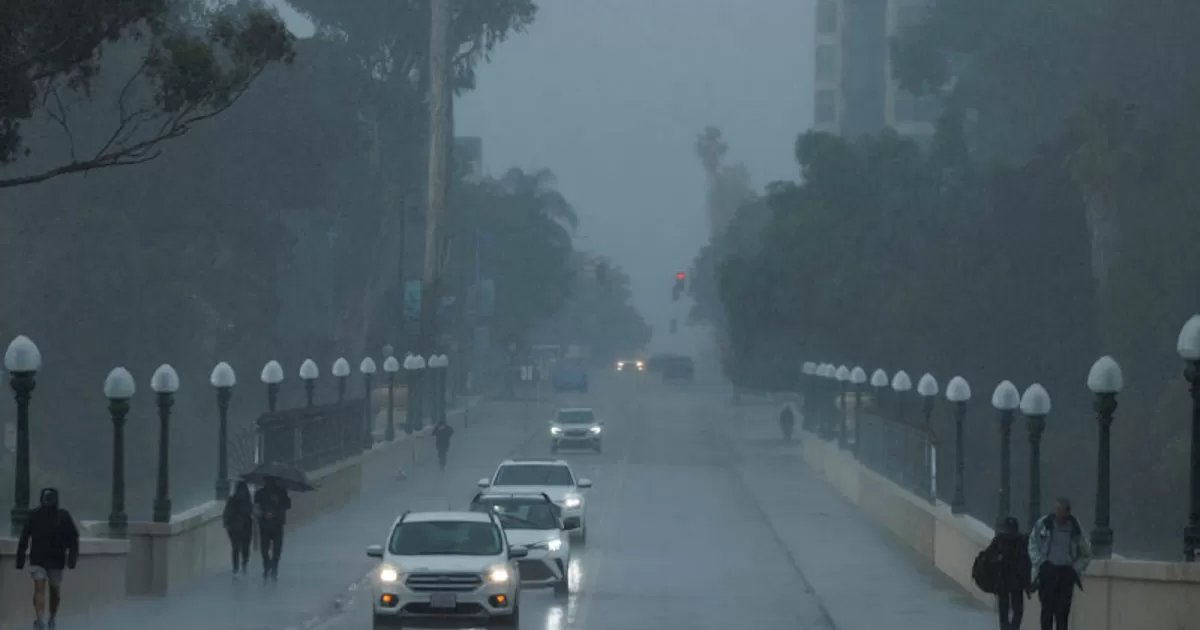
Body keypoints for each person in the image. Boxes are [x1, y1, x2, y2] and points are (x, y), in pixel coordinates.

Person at [15, 488, 79, 630]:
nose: (48, 501)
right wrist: (20, 557)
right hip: (38, 558)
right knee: (39, 588)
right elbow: (24, 537)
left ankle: (52, 617)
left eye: (50, 498)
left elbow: (73, 537)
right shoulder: (34, 515)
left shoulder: (63, 516)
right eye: (46, 498)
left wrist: (72, 557)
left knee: (54, 591)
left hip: (57, 560)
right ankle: (39, 620)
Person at [1028, 498, 1092, 630]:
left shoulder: (1075, 528)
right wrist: (1042, 563)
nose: (1059, 514)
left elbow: (1086, 554)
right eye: (1057, 510)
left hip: (1066, 574)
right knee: (1047, 611)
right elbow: (1032, 544)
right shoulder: (1044, 524)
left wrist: (1075, 569)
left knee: (1062, 612)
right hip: (1048, 572)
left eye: (1062, 511)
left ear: (1068, 512)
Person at [982, 516, 1032, 630]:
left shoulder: (1000, 540)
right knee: (1016, 611)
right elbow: (1027, 562)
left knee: (1005, 611)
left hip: (1005, 581)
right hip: (1014, 581)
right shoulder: (1021, 541)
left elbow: (988, 557)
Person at [254, 477, 291, 581]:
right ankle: (267, 566)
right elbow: (256, 507)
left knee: (277, 548)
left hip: (276, 523)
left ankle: (274, 566)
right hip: (265, 524)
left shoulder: (281, 492)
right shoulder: (260, 493)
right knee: (265, 548)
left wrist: (276, 508)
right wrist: (263, 514)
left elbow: (287, 504)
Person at [223, 481, 254, 578]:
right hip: (238, 527)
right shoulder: (242, 500)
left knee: (240, 548)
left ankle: (240, 566)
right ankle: (239, 566)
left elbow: (227, 513)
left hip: (240, 527)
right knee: (238, 548)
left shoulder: (235, 500)